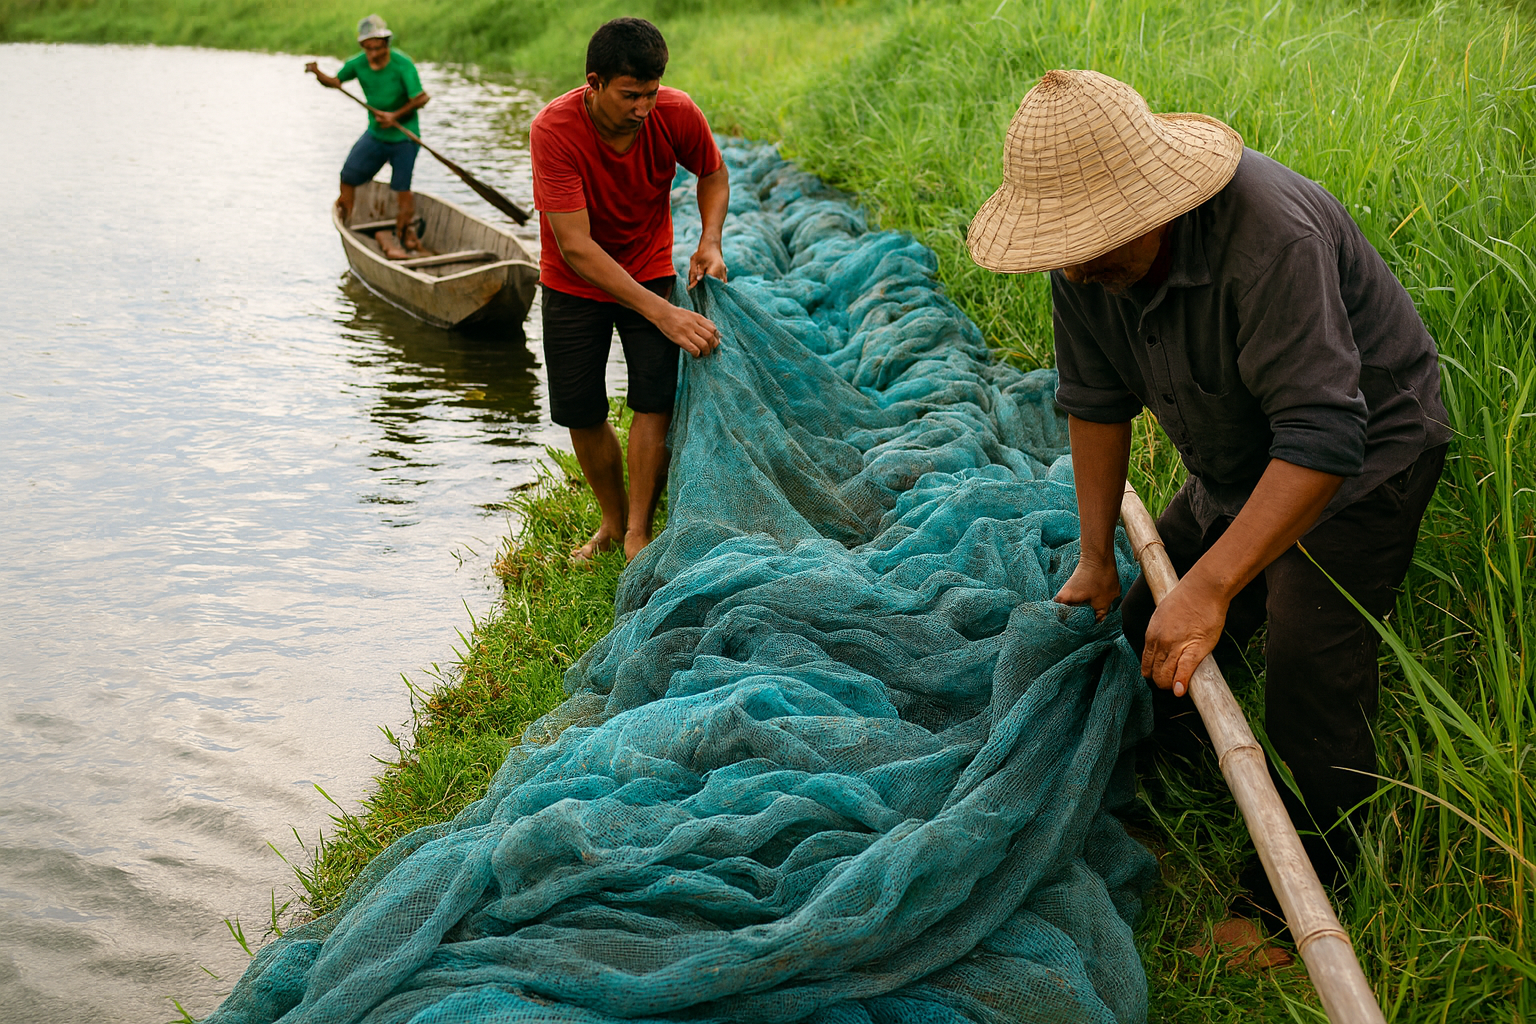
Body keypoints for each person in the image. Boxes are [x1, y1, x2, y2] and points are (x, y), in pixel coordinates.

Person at [967, 70, 1451, 927]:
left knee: (1310, 665)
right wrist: (1093, 557)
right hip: (1238, 456)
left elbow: (1323, 437)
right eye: (1067, 250)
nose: (1080, 268)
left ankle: (1309, 879)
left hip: (1364, 457)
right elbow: (1096, 402)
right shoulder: (1084, 267)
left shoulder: (1269, 240)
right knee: (1144, 623)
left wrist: (1217, 587)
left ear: (1157, 206)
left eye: (1099, 245)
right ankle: (1182, 772)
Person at [530, 17, 729, 562]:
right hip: (574, 281)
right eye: (628, 95)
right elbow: (576, 245)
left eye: (650, 92)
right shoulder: (555, 130)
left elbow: (711, 173)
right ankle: (612, 523)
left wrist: (710, 240)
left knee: (653, 400)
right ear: (593, 83)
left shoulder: (676, 112)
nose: (642, 107)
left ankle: (639, 529)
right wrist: (664, 314)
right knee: (581, 410)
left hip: (649, 266)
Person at [306, 15, 430, 259]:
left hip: (405, 139)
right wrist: (317, 72)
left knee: (401, 189)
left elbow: (421, 98)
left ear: (386, 43)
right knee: (348, 176)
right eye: (368, 48)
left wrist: (395, 116)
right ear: (363, 46)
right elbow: (335, 82)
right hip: (376, 135)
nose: (374, 53)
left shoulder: (402, 64)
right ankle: (351, 226)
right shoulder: (357, 63)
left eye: (378, 47)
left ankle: (405, 235)